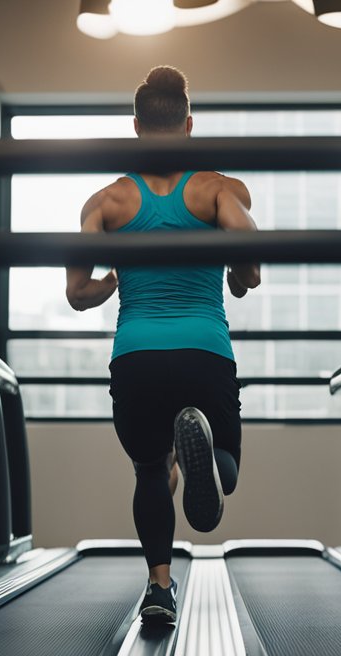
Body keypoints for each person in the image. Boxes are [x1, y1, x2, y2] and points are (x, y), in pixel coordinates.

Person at [64, 65, 260, 624]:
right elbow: (249, 261)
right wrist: (236, 278)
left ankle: (158, 588)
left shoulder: (106, 201)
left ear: (136, 126)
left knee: (151, 472)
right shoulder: (220, 188)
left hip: (137, 357)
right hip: (204, 352)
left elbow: (78, 293)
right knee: (228, 463)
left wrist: (113, 282)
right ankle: (210, 458)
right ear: (189, 124)